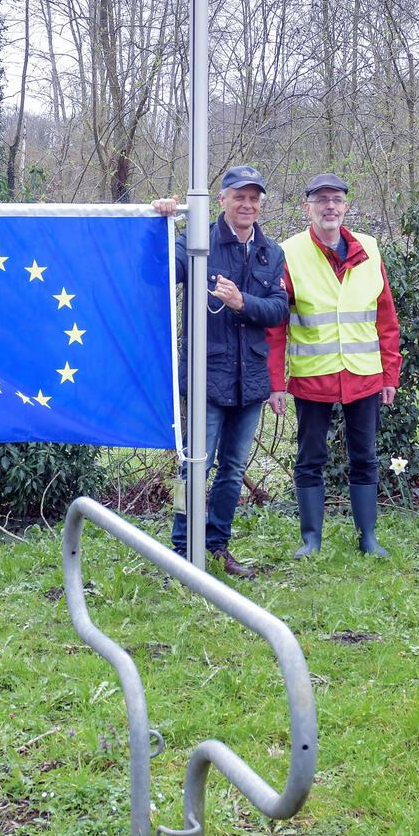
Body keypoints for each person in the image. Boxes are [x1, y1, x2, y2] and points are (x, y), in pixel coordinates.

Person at [152, 165, 289, 578]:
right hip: (206, 378)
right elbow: (159, 270)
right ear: (223, 199)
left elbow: (279, 310)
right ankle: (181, 549)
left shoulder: (271, 252)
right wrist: (161, 222)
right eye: (239, 197)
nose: (247, 204)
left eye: (254, 198)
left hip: (250, 383)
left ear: (260, 204)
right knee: (193, 465)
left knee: (232, 470)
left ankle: (215, 548)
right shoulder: (199, 241)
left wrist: (241, 302)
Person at [267, 173, 401, 559]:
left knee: (365, 456)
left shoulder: (371, 249)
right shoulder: (288, 253)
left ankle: (368, 538)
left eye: (337, 199)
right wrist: (277, 383)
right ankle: (311, 539)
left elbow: (386, 319)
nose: (330, 206)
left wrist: (390, 374)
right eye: (322, 199)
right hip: (314, 376)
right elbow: (276, 328)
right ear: (307, 207)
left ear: (346, 206)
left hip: (364, 375)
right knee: (310, 459)